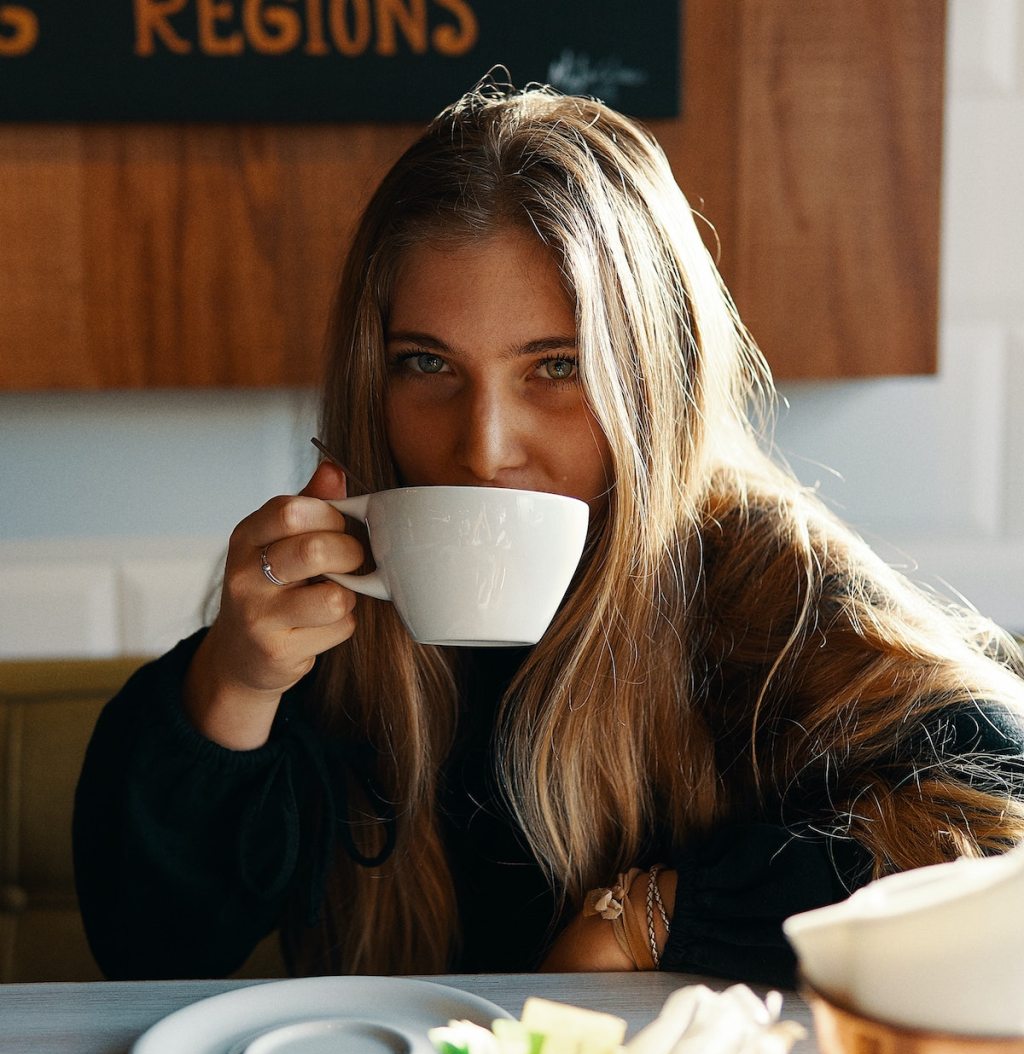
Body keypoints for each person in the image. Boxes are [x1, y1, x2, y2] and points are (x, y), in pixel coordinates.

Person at [74, 81, 1024, 985]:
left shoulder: (761, 584)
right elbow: (145, 953)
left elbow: (1004, 823)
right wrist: (234, 687)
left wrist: (655, 918)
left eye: (557, 367)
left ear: (656, 383)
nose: (483, 448)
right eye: (426, 364)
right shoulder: (324, 626)